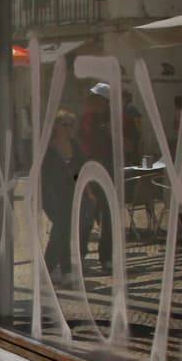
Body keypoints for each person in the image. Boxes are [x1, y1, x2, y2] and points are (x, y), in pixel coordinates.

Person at [42, 111, 85, 285]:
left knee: (61, 231)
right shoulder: (48, 147)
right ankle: (64, 270)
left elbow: (80, 168)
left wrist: (86, 190)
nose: (69, 129)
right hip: (51, 195)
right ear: (57, 125)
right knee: (62, 229)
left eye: (72, 125)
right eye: (65, 124)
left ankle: (49, 268)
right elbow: (45, 174)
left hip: (69, 193)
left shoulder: (74, 144)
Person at [79, 83, 114, 275]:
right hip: (90, 172)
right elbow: (81, 145)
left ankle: (107, 258)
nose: (91, 100)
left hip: (107, 172)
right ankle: (80, 255)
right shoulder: (86, 118)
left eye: (95, 97)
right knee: (87, 216)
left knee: (107, 219)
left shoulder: (113, 119)